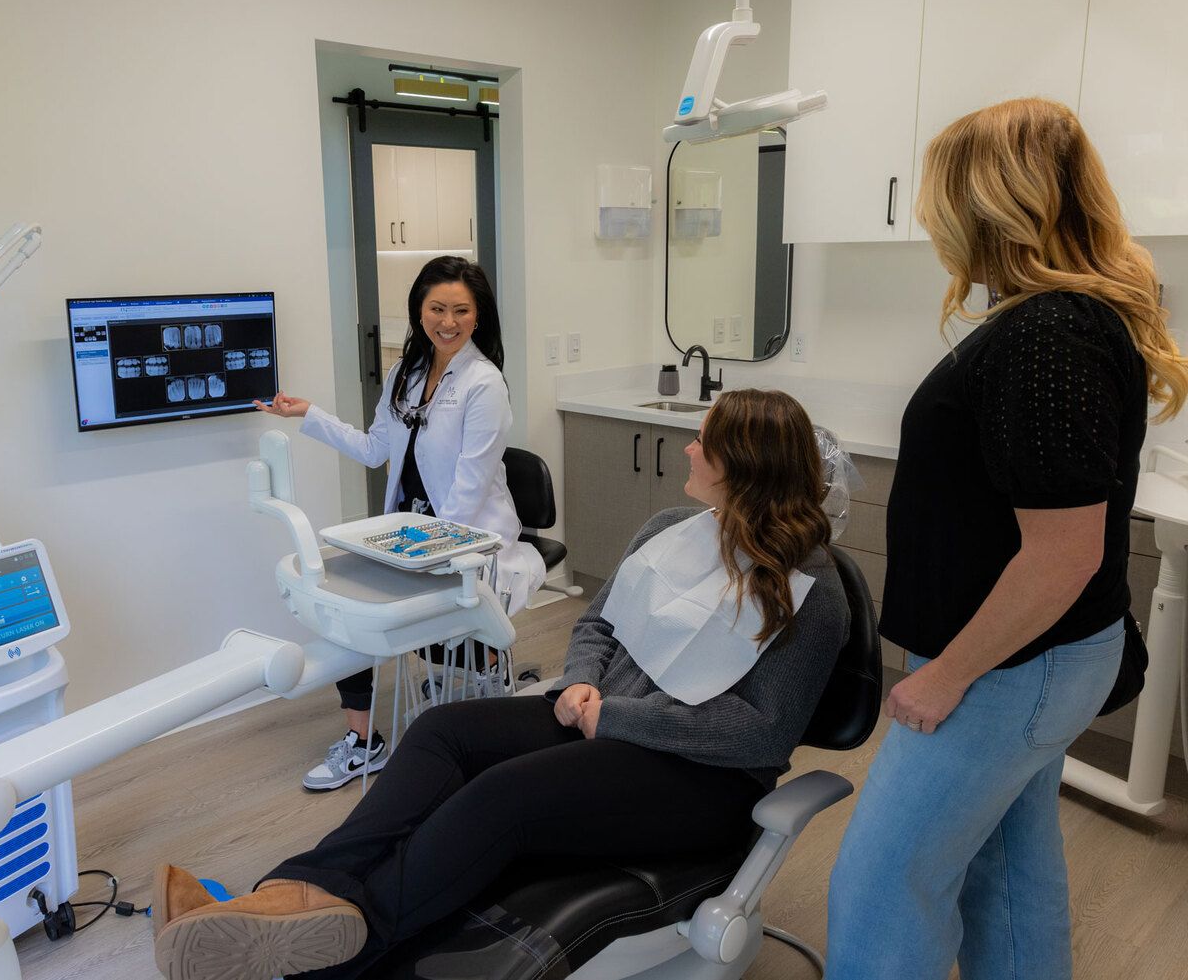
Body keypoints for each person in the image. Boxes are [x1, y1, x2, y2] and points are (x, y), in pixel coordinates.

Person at [150, 388, 851, 980]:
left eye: (704, 442)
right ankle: (291, 893)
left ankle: (337, 952)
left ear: (745, 464)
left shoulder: (811, 591)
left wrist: (615, 717)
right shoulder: (674, 527)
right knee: (441, 733)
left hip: (702, 777)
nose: (690, 451)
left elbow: (759, 731)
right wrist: (580, 686)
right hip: (600, 714)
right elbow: (598, 623)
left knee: (504, 797)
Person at [825, 98, 1188, 980]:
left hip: (1007, 666)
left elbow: (1062, 555)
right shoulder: (1053, 321)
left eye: (940, 196)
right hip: (1035, 658)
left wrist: (946, 675)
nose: (930, 218)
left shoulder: (1047, 335)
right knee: (1006, 868)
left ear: (984, 201)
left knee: (881, 881)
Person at [257, 255, 545, 791]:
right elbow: (374, 450)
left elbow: (469, 489)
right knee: (344, 602)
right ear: (419, 310)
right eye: (437, 308)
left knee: (370, 612)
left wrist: (417, 554)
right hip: (410, 531)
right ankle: (365, 743)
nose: (448, 321)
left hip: (463, 542)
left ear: (478, 316)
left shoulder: (485, 384)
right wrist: (310, 415)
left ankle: (478, 668)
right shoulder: (406, 374)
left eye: (461, 310)